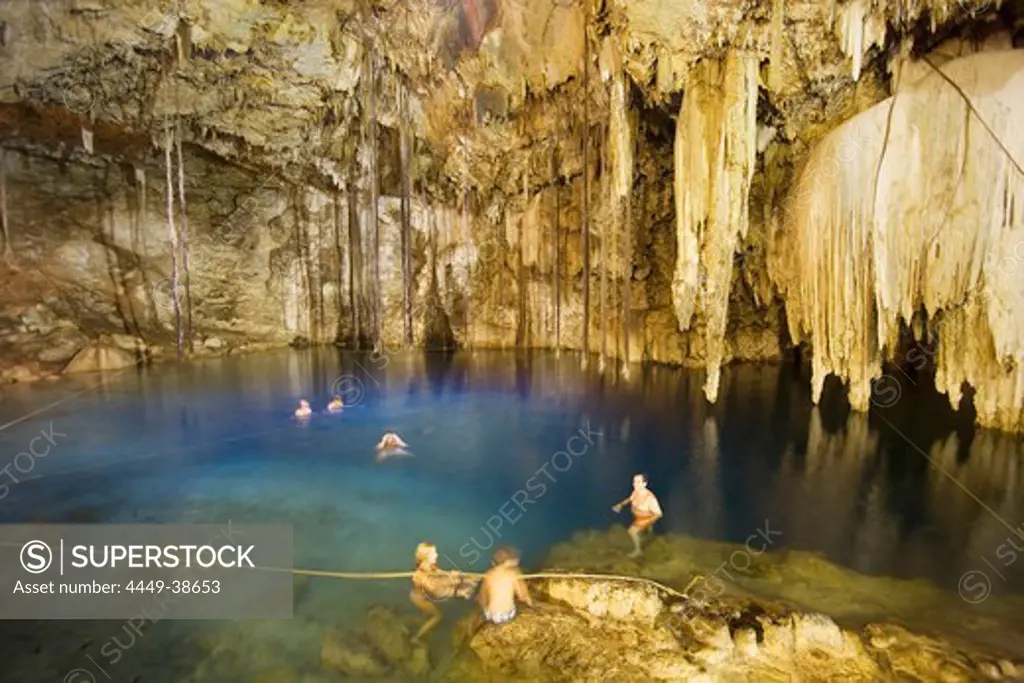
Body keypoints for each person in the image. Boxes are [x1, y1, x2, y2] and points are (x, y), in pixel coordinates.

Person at [409, 542, 471, 644]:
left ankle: (422, 620)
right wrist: (455, 585)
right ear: (426, 556)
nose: (437, 555)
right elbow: (434, 588)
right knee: (438, 616)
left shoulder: (430, 566)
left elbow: (439, 573)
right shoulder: (419, 575)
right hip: (419, 599)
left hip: (424, 595)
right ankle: (416, 637)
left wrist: (451, 575)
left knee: (427, 613)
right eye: (434, 553)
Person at [476, 546, 532, 625]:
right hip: (506, 616)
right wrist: (530, 603)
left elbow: (482, 597)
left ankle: (485, 619)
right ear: (508, 561)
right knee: (518, 607)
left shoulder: (489, 574)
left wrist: (484, 607)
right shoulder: (514, 573)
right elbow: (522, 596)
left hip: (492, 615)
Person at [612, 473, 663, 557]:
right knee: (646, 533)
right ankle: (647, 534)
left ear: (644, 484)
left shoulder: (650, 498)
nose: (635, 484)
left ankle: (638, 550)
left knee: (632, 531)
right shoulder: (636, 492)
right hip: (638, 516)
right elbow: (630, 499)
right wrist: (620, 505)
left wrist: (647, 522)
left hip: (645, 518)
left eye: (638, 482)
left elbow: (659, 514)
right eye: (634, 482)